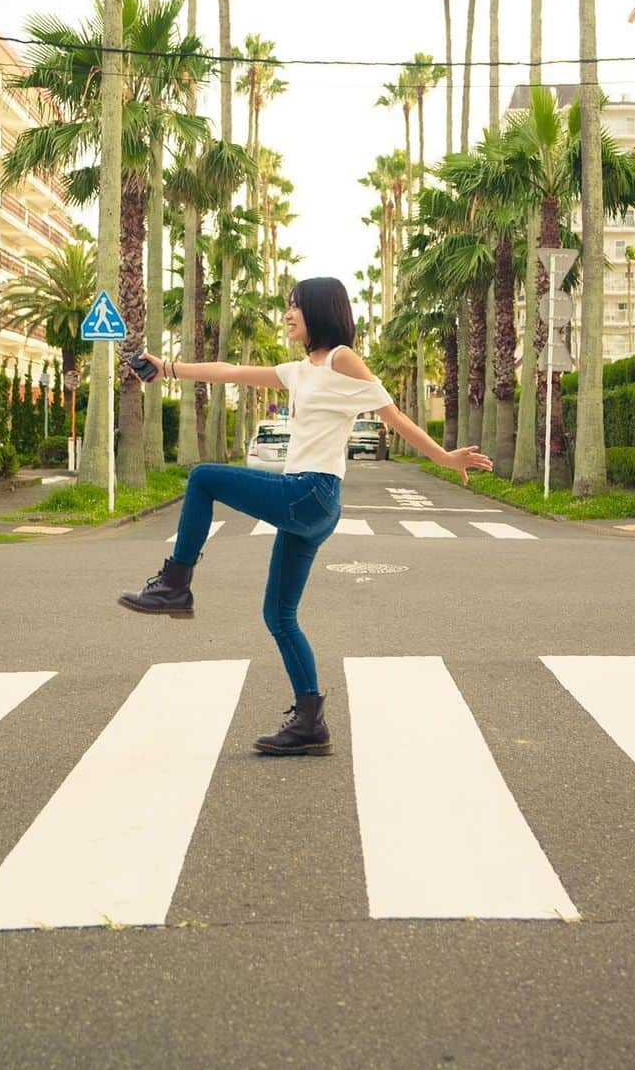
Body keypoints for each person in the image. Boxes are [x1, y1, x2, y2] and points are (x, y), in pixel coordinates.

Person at [117, 276, 492, 756]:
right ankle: (310, 722)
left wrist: (443, 458)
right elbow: (231, 372)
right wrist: (166, 367)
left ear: (320, 310)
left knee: (203, 479)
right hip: (310, 504)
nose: (288, 314)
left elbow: (392, 415)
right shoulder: (300, 370)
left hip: (310, 491)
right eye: (287, 306)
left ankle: (174, 584)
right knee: (278, 613)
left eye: (296, 307)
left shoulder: (341, 359)